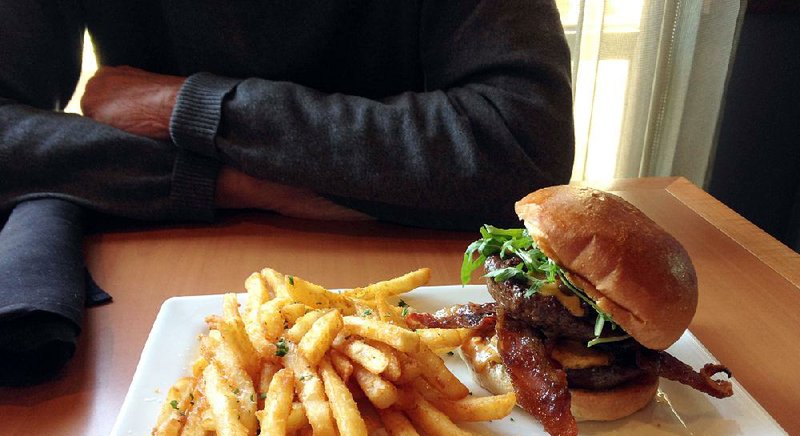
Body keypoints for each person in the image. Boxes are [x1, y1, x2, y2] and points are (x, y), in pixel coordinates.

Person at [1, 0, 574, 230]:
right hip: (159, 251)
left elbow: (523, 147)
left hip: (408, 271)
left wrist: (187, 106)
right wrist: (234, 183)